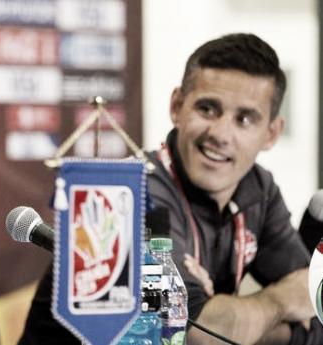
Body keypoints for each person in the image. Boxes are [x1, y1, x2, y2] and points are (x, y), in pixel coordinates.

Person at [19, 33, 321, 345]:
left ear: (271, 133)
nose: (220, 133)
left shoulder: (259, 188)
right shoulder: (132, 194)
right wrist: (280, 302)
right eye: (207, 109)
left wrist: (248, 321)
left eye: (244, 119)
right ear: (177, 106)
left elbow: (315, 311)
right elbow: (193, 335)